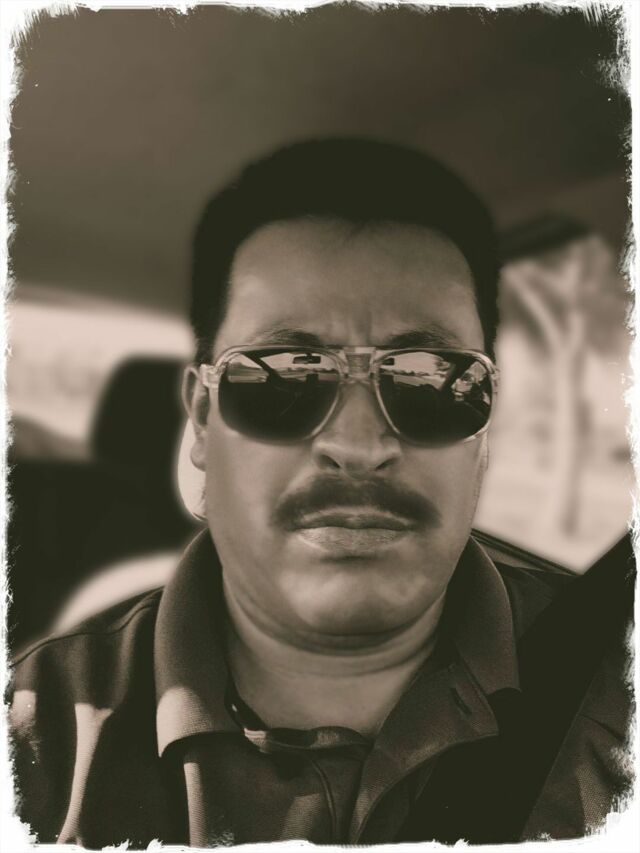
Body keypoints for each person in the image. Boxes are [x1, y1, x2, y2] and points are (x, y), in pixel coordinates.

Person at [9, 139, 632, 847]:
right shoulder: (37, 743)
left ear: (485, 426)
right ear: (203, 420)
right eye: (281, 378)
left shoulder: (618, 685)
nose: (359, 446)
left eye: (432, 381)